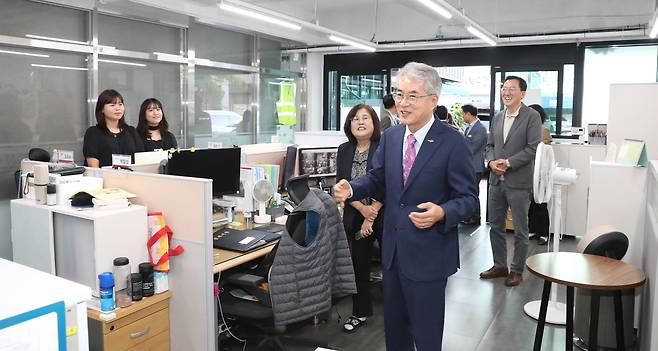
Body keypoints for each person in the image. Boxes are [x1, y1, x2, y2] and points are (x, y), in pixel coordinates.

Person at [333, 62, 477, 351]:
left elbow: (469, 199)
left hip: (429, 254)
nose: (403, 103)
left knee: (425, 335)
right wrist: (352, 188)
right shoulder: (391, 137)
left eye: (413, 96)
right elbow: (377, 179)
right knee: (395, 333)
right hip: (393, 251)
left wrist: (443, 212)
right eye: (399, 94)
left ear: (434, 100)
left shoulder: (452, 141)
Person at [480, 76, 542, 287]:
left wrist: (507, 162)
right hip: (496, 181)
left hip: (518, 181)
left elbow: (533, 148)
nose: (506, 92)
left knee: (520, 229)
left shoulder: (532, 117)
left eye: (511, 89)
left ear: (522, 93)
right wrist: (490, 163)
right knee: (495, 226)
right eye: (504, 88)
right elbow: (489, 146)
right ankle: (500, 265)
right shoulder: (497, 117)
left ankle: (516, 269)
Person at [336, 104, 384, 334]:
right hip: (356, 215)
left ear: (374, 123)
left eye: (365, 118)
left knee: (394, 265)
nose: (360, 122)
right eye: (355, 118)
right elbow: (342, 182)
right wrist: (362, 210)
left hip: (383, 215)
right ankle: (360, 311)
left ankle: (399, 311)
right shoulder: (344, 149)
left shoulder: (383, 147)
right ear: (349, 124)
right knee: (359, 265)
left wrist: (371, 214)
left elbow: (389, 182)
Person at [83, 89, 144, 167]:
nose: (118, 108)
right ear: (102, 109)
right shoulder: (93, 132)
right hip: (105, 177)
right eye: (112, 105)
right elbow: (93, 166)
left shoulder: (131, 131)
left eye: (120, 104)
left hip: (131, 177)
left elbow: (141, 159)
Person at [528, 104, 552, 245]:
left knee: (541, 203)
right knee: (530, 203)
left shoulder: (544, 131)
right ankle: (531, 229)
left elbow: (546, 153)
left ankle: (543, 233)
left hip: (541, 173)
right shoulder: (524, 130)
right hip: (527, 171)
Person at [461, 104, 487, 225]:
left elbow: (473, 148)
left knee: (474, 191)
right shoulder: (468, 128)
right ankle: (468, 215)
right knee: (469, 191)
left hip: (475, 166)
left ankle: (475, 217)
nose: (462, 116)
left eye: (463, 114)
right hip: (468, 165)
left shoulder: (480, 129)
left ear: (468, 114)